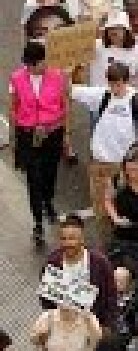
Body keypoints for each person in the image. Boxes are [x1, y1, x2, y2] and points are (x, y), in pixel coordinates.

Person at [11, 42, 69, 241]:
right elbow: (14, 107)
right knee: (33, 177)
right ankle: (37, 221)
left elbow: (64, 104)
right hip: (28, 134)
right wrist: (15, 137)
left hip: (52, 132)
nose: (43, 66)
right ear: (30, 64)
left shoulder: (57, 76)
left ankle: (48, 200)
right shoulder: (17, 78)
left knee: (50, 171)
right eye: (39, 63)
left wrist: (65, 133)